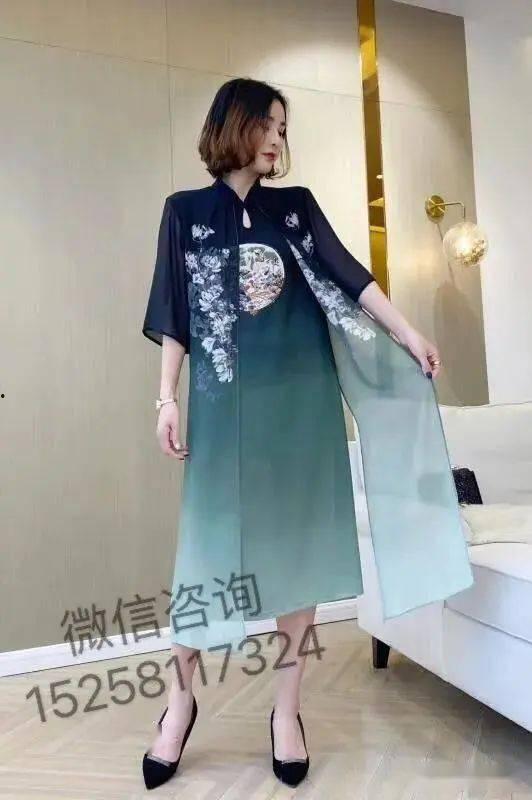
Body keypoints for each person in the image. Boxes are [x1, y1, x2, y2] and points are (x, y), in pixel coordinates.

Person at [140, 76, 459, 792]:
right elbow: (175, 311)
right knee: (205, 557)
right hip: (224, 410)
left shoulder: (295, 209)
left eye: (284, 128)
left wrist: (408, 332)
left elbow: (350, 276)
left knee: (301, 553)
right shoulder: (185, 212)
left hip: (300, 407)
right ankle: (179, 703)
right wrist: (165, 398)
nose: (279, 140)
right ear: (237, 125)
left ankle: (287, 712)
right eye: (270, 125)